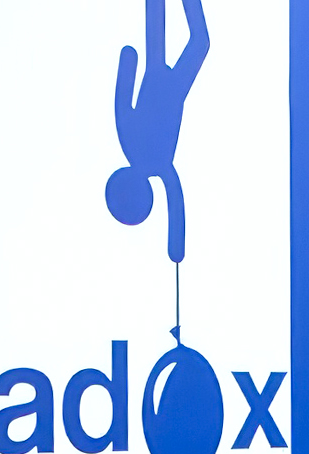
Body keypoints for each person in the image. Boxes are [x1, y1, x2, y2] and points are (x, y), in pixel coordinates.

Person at [105, 0, 207, 265]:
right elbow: (122, 101)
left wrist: (176, 249)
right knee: (196, 42)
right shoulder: (136, 147)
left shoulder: (149, 157)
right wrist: (128, 64)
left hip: (165, 84)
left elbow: (175, 200)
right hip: (168, 85)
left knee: (199, 43)